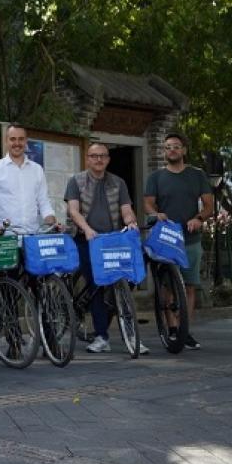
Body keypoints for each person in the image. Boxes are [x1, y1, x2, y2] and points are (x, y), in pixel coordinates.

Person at [64, 142, 142, 354]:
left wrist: (131, 222)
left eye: (103, 156)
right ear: (87, 159)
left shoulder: (118, 182)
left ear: (108, 159)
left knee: (123, 281)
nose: (98, 160)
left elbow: (126, 209)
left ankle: (132, 335)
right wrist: (88, 230)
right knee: (96, 284)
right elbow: (73, 211)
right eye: (94, 156)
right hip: (86, 239)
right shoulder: (76, 181)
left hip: (112, 240)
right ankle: (101, 337)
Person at [144, 132, 213, 350]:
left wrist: (198, 218)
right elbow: (148, 204)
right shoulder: (156, 177)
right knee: (167, 286)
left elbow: (209, 205)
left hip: (190, 238)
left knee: (190, 286)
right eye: (167, 147)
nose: (171, 150)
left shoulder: (197, 175)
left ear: (184, 150)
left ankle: (185, 330)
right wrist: (156, 214)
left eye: (175, 146)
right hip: (166, 238)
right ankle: (172, 327)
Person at [0, 124, 57, 233]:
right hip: (6, 238)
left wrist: (53, 224)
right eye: (12, 139)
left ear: (26, 141)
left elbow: (44, 202)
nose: (17, 143)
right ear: (6, 141)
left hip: (32, 237)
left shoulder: (37, 170)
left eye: (21, 139)